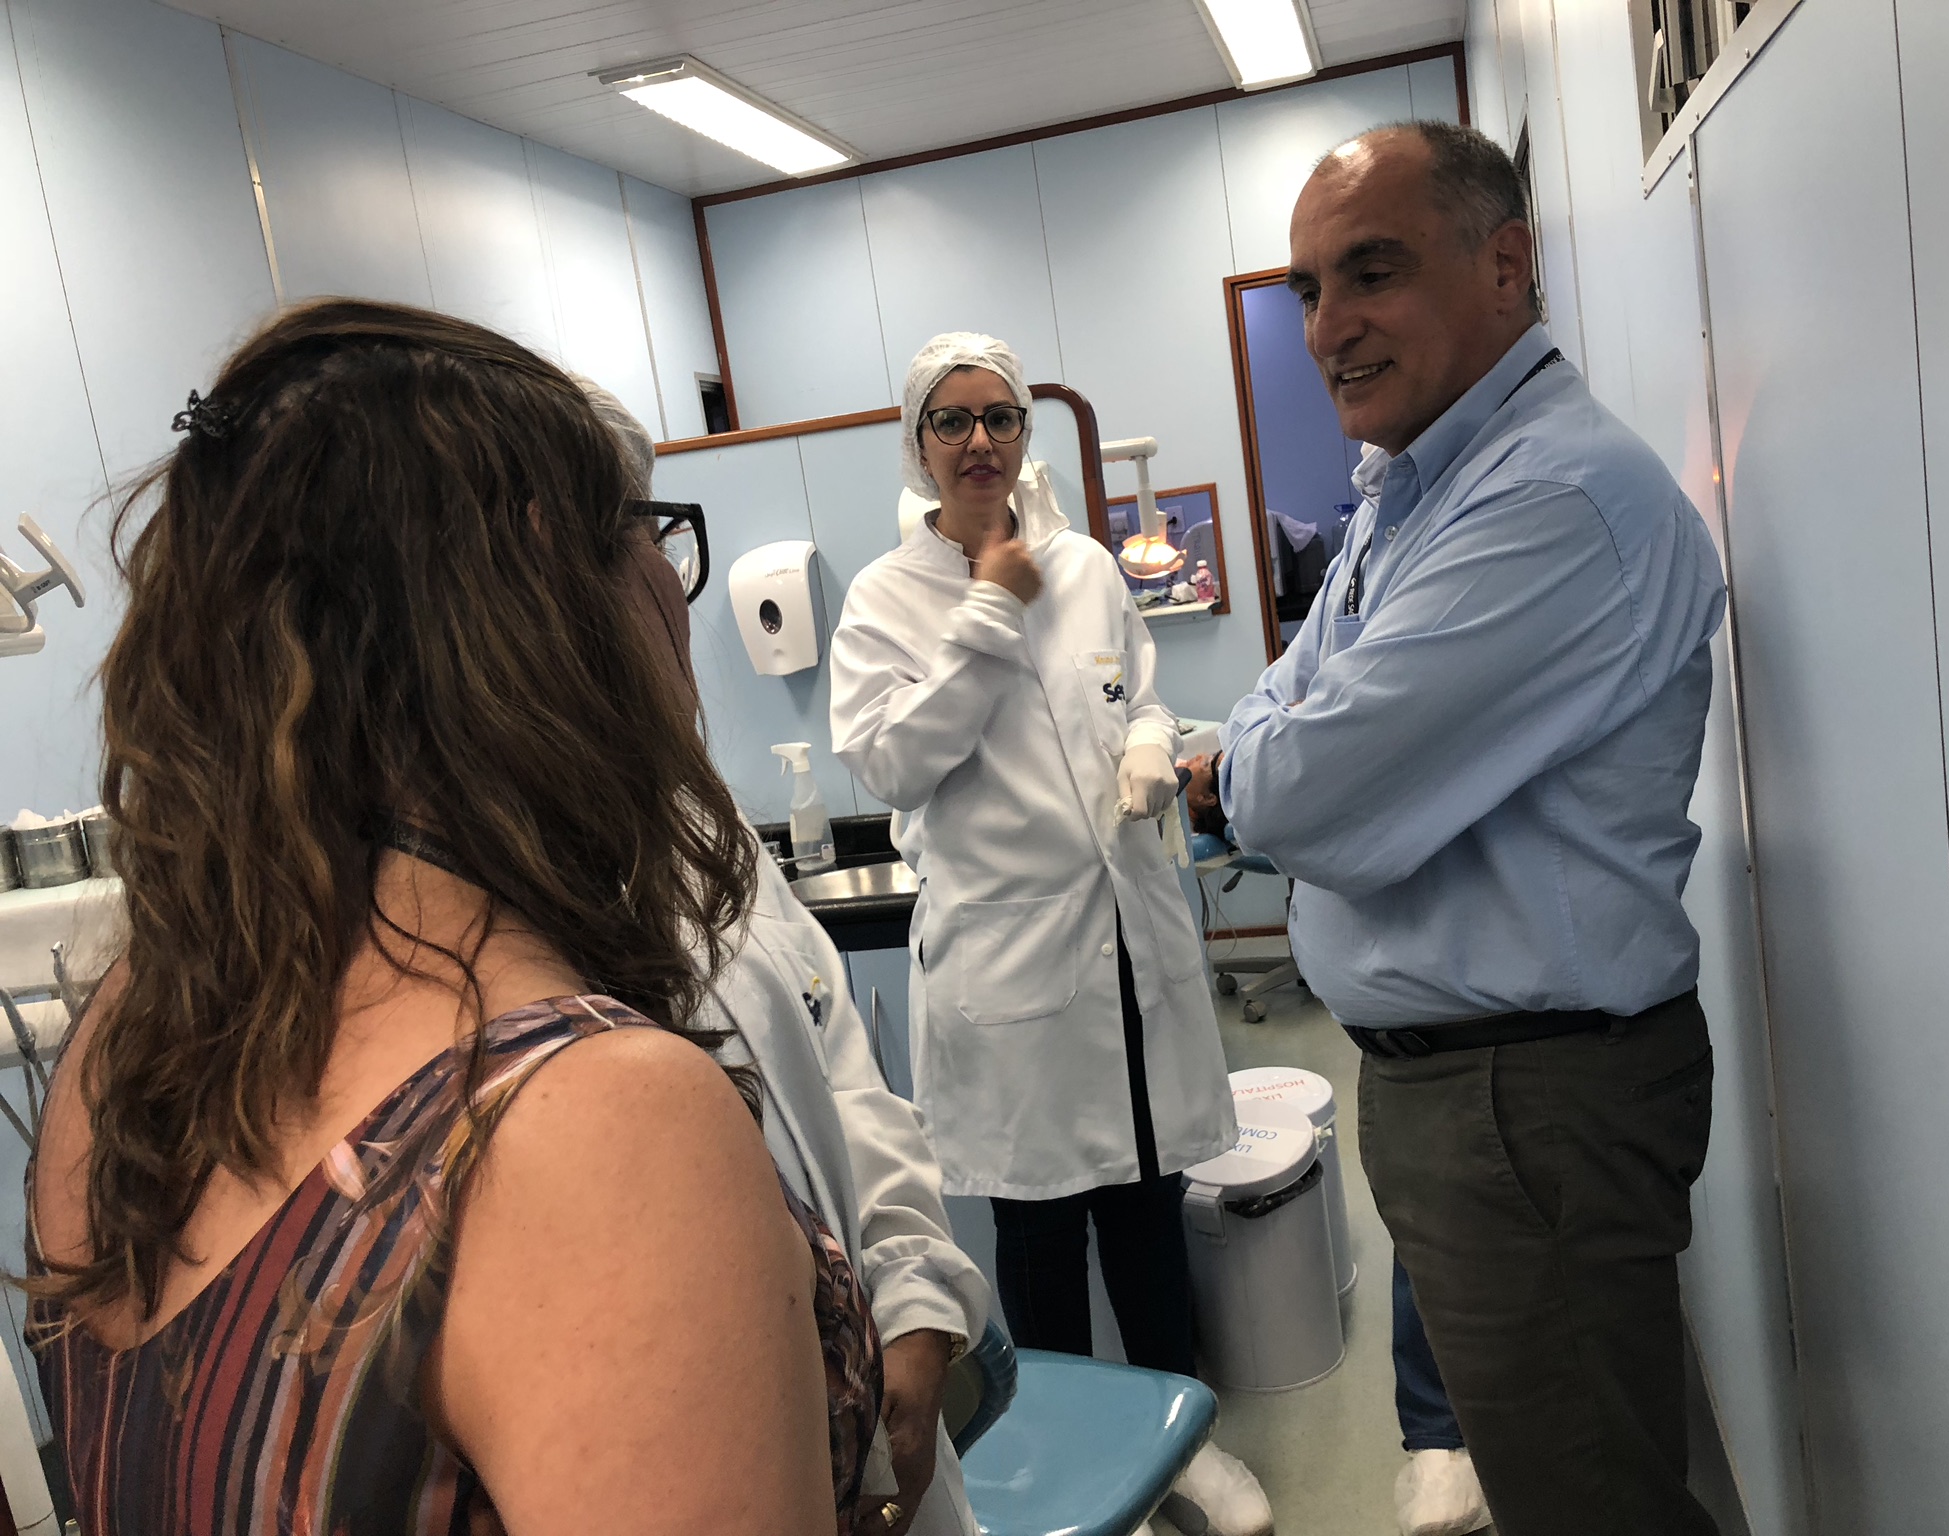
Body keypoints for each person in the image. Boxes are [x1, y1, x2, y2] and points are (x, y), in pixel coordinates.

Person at [26, 300, 875, 1536]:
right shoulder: (591, 1124)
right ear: (542, 584)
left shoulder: (130, 1035)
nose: (671, 586)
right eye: (643, 533)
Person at [1193, 122, 1728, 1535]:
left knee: (1586, 1501)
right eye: (1308, 289)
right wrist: (1265, 744)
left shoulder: (1550, 498)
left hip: (1526, 1101)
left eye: (1372, 272)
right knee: (1560, 1472)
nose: (1328, 328)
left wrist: (1250, 762)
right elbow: (1283, 700)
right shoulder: (1413, 489)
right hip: (1473, 1091)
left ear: (1504, 265)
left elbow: (1298, 792)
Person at [830, 333, 1270, 1536]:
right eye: (953, 420)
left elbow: (1137, 687)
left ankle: (1185, 1444)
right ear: (918, 445)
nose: (980, 440)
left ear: (1024, 432)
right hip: (1010, 973)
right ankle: (1078, 1470)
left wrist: (1149, 742)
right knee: (1038, 1239)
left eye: (1001, 417)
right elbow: (893, 761)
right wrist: (987, 610)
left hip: (1129, 947)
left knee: (1147, 1212)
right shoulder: (883, 603)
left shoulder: (1084, 565)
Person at [584, 380, 992, 1536]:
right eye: (642, 533)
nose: (670, 583)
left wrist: (912, 1295)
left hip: (880, 1432)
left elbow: (840, 1070)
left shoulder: (693, 824)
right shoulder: (494, 924)